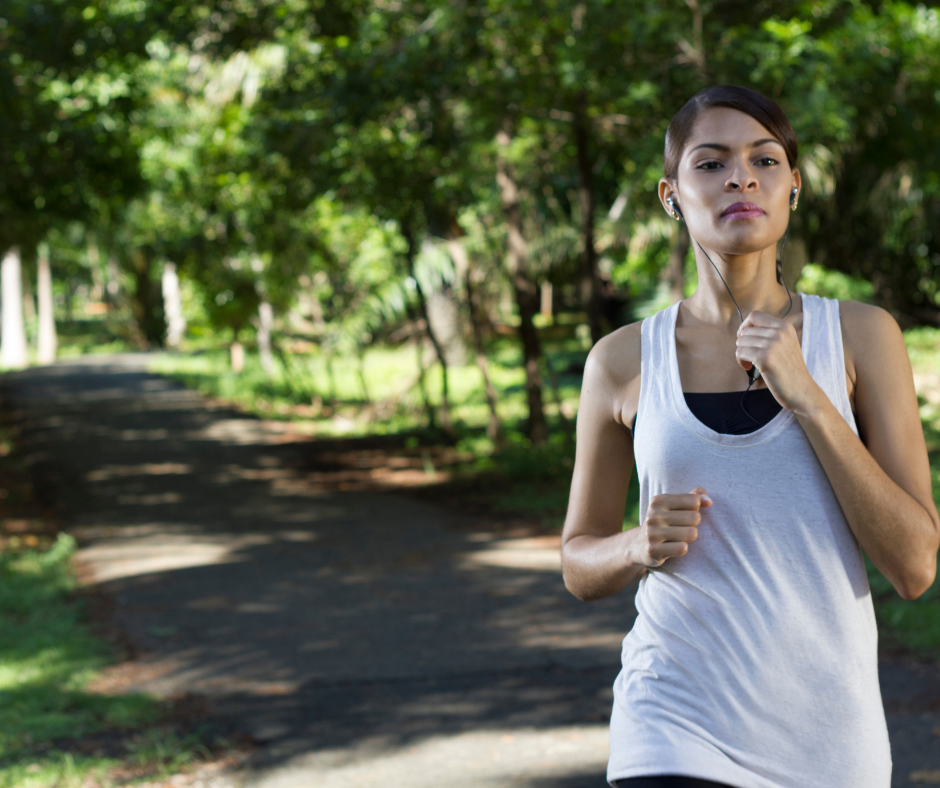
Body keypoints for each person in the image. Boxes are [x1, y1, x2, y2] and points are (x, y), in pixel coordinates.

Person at [560, 84, 940, 788]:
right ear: (670, 193)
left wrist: (810, 399)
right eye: (710, 163)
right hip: (671, 722)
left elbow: (915, 566)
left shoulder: (860, 336)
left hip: (830, 741)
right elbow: (578, 563)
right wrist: (637, 545)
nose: (741, 177)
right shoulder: (619, 361)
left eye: (764, 160)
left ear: (792, 186)